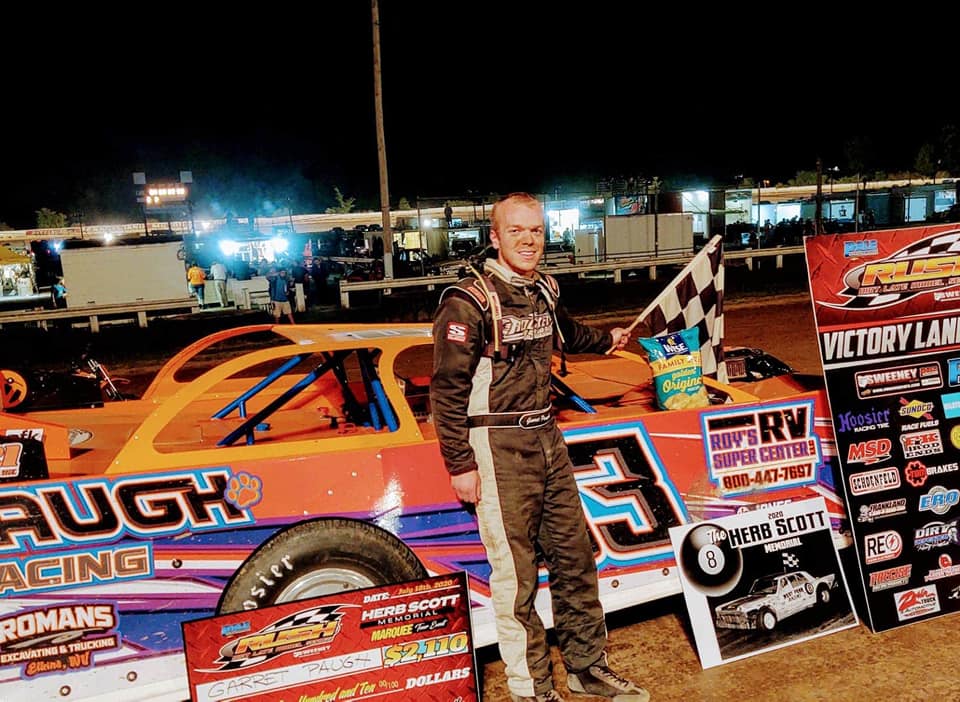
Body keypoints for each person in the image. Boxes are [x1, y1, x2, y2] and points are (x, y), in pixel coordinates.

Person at [429, 193, 647, 702]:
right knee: (516, 576)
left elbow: (565, 334)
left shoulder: (544, 288)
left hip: (547, 435)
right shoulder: (467, 300)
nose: (529, 240)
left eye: (536, 231)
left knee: (575, 559)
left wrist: (606, 339)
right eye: (517, 230)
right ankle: (532, 690)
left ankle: (587, 668)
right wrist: (461, 464)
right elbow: (446, 390)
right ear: (495, 236)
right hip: (497, 443)